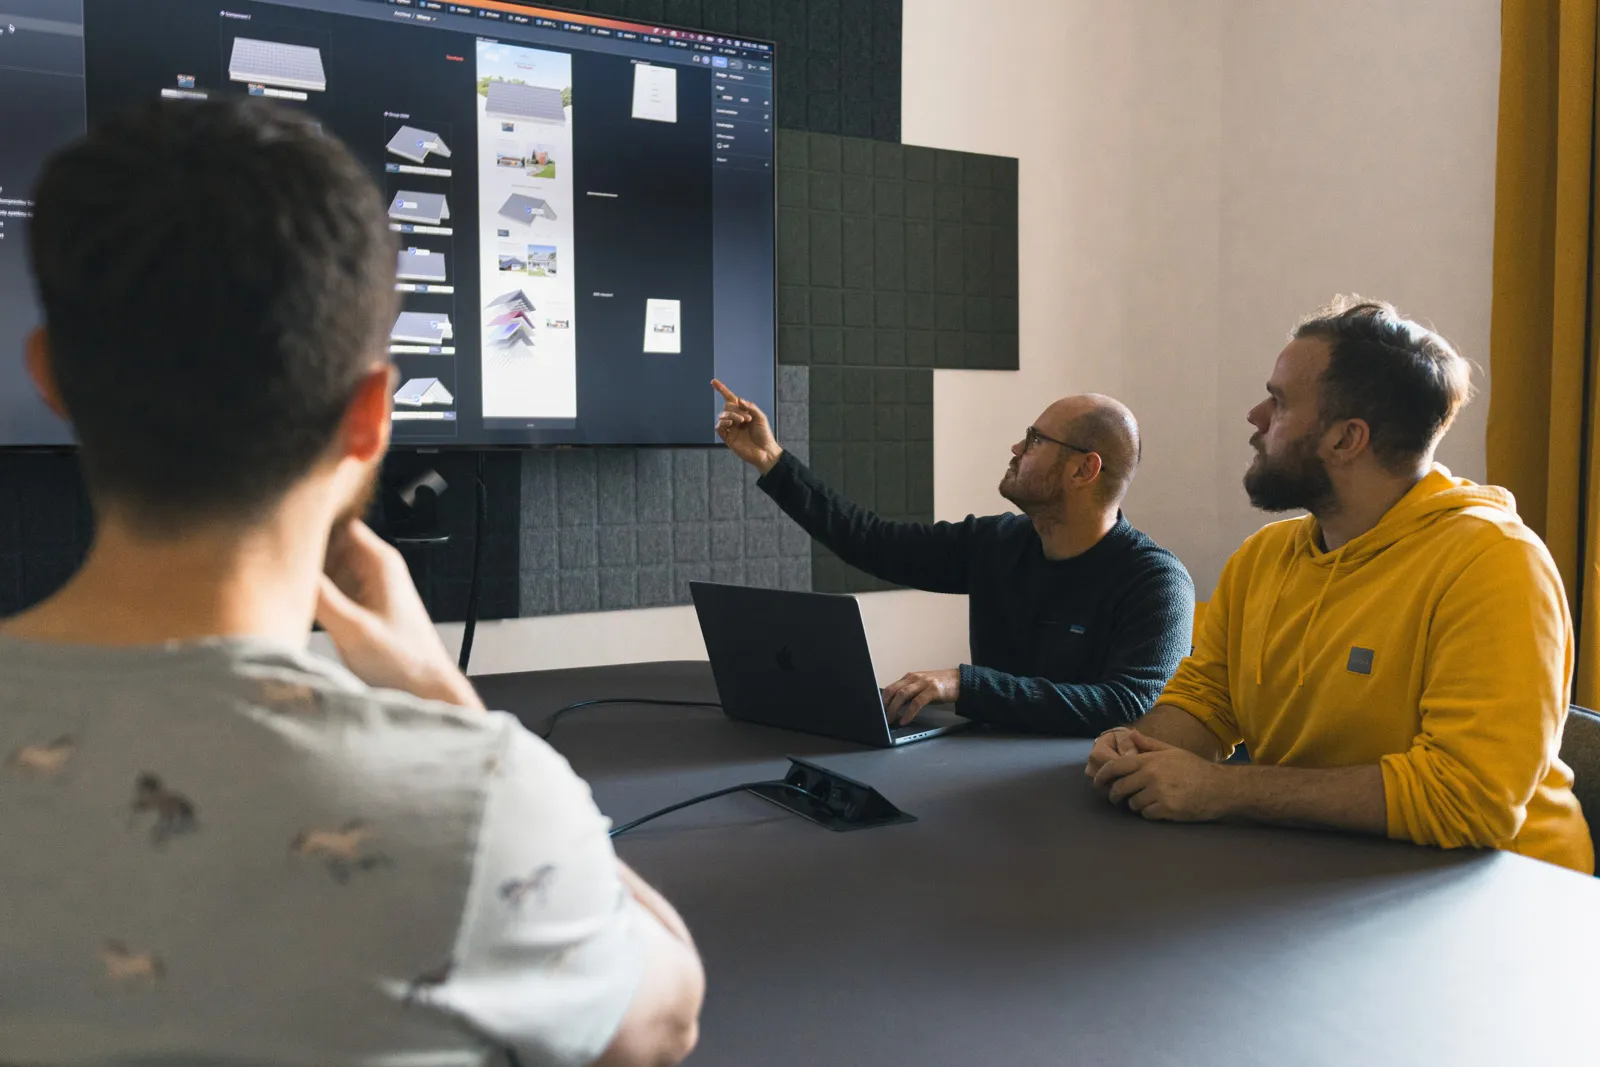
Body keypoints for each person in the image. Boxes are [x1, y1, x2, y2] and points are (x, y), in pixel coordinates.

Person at [0, 99, 703, 1065]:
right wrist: (448, 708)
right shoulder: (481, 800)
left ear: (52, 377)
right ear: (373, 413)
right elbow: (664, 1019)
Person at [1086, 297, 1593, 874]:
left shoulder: (1495, 564)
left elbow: (1468, 799)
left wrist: (1221, 791)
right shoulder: (1263, 556)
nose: (1255, 415)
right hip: (1325, 870)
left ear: (1346, 439)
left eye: (1278, 402)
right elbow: (1207, 699)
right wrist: (1138, 748)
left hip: (1503, 892)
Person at [712, 379, 1194, 735]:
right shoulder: (997, 543)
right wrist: (771, 460)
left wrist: (966, 685)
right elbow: (872, 541)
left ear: (1085, 469)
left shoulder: (1156, 581)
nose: (1016, 448)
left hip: (1078, 790)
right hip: (982, 774)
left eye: (1035, 440)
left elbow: (1125, 705)